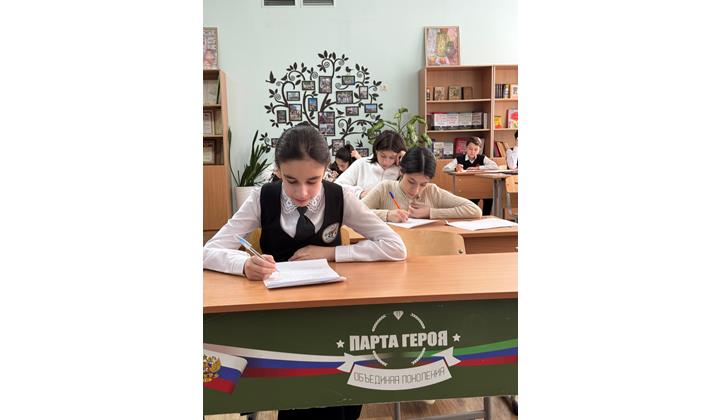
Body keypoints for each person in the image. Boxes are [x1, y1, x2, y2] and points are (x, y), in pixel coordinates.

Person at [362, 147, 482, 222]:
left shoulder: (432, 191)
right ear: (401, 171)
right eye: (411, 182)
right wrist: (387, 215)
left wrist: (430, 212)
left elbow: (474, 210)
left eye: (423, 184)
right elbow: (354, 213)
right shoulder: (385, 188)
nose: (415, 191)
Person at [335, 130, 407, 199]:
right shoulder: (361, 164)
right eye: (382, 156)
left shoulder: (401, 169)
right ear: (376, 151)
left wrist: (406, 159)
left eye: (392, 157)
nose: (386, 162)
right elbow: (337, 185)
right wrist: (360, 193)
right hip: (362, 207)